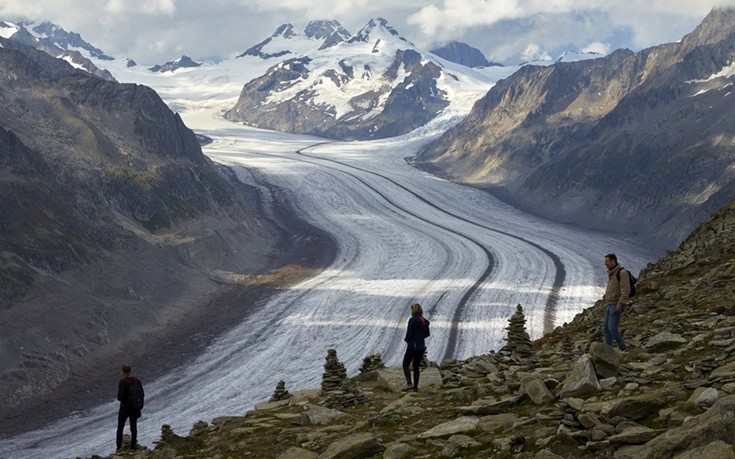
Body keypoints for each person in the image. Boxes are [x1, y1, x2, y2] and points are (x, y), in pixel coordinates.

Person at [603, 253, 630, 352]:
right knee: (606, 328)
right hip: (610, 304)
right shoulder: (612, 273)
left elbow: (625, 290)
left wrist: (620, 303)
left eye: (607, 261)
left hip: (616, 304)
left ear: (613, 261)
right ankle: (608, 348)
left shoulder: (622, 273)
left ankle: (622, 347)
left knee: (612, 328)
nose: (605, 263)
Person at [116, 363, 144, 451]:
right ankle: (133, 447)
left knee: (120, 427)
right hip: (134, 408)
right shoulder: (137, 381)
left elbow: (120, 397)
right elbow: (142, 394)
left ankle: (119, 447)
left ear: (123, 371)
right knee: (133, 427)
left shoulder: (123, 382)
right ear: (130, 370)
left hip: (125, 408)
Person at [402, 303, 427, 392]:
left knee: (405, 364)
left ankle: (409, 383)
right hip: (421, 346)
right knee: (416, 367)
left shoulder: (412, 320)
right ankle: (415, 387)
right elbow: (427, 334)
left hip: (413, 346)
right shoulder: (424, 320)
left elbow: (409, 334)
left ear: (413, 310)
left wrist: (408, 340)